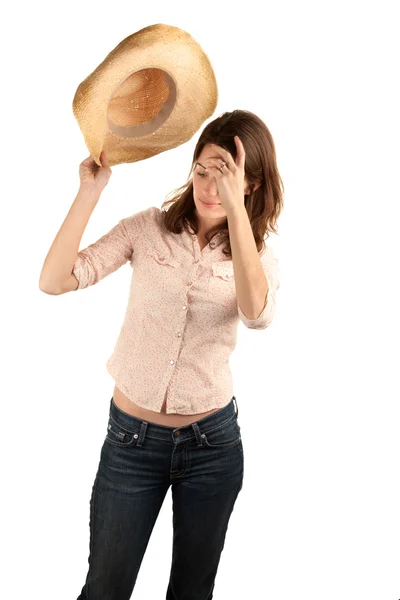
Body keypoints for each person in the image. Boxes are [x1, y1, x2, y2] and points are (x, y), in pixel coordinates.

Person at [39, 109, 283, 600]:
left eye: (227, 176)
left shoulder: (257, 256)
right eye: (203, 170)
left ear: (251, 185)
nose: (210, 185)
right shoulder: (146, 229)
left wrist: (236, 215)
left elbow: (258, 315)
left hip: (211, 448)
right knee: (104, 587)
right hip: (131, 444)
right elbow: (54, 280)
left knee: (191, 592)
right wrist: (90, 191)